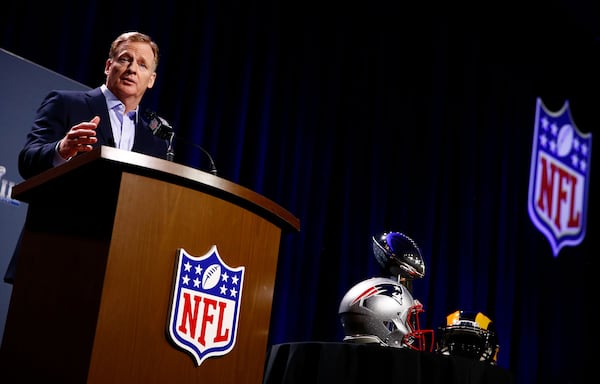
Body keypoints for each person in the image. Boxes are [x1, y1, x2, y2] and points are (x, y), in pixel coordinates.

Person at [3, 31, 169, 284]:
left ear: (151, 80)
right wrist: (62, 149)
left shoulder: (155, 142)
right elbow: (27, 161)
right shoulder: (67, 103)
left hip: (113, 272)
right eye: (125, 59)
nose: (132, 69)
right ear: (108, 65)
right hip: (52, 256)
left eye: (142, 64)